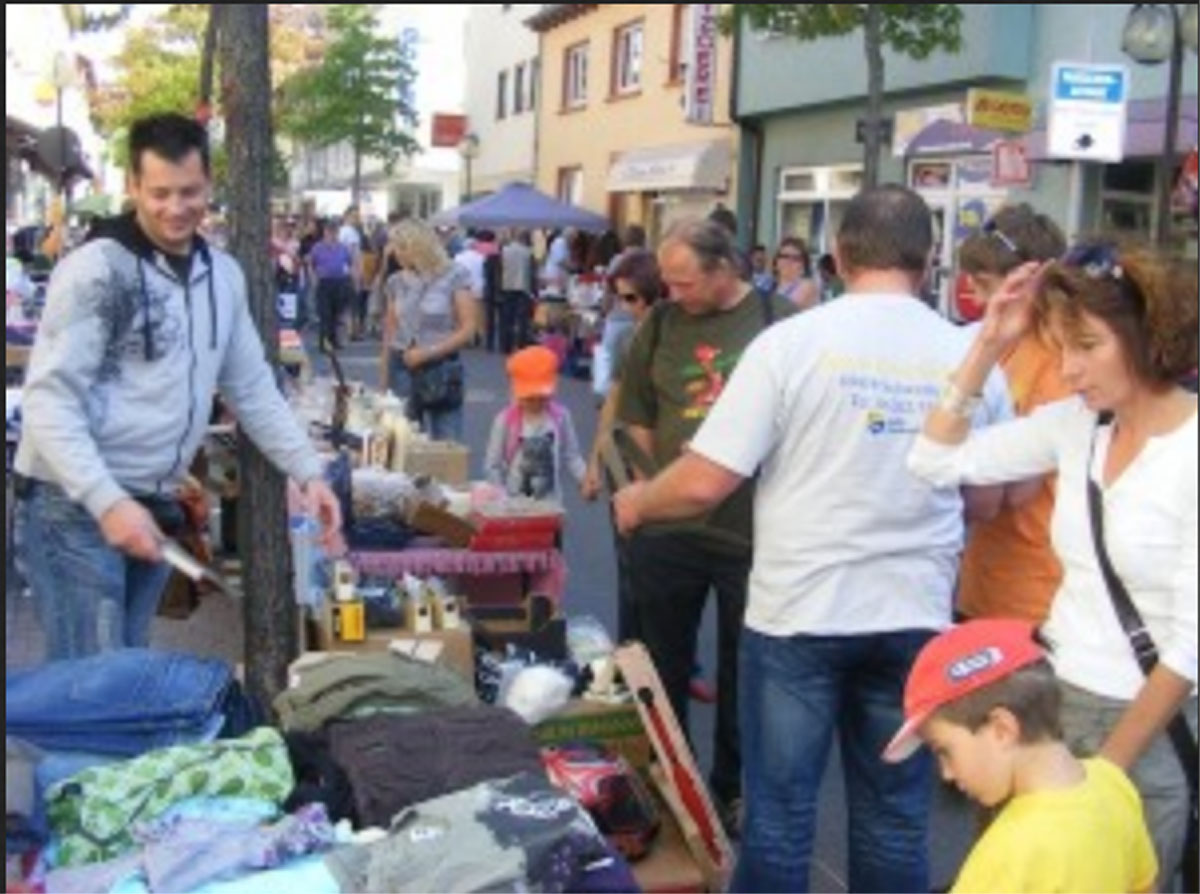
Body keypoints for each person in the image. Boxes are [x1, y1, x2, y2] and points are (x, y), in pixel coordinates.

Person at [614, 186, 1011, 892]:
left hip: (801, 613)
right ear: (932, 260)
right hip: (913, 616)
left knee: (781, 816)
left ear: (838, 253)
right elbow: (983, 500)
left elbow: (706, 481)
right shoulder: (973, 357)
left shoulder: (791, 344)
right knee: (894, 817)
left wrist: (639, 498)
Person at [907, 240, 1198, 891]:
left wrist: (1109, 777)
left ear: (1149, 334)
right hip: (1050, 707)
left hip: (1148, 725)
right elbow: (933, 461)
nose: (1068, 369)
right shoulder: (1078, 425)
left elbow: (1192, 645)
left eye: (1087, 345)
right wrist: (989, 345)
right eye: (1060, 346)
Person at [12, 113, 342, 660]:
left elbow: (252, 388)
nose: (175, 207)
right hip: (69, 501)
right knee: (93, 682)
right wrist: (106, 500)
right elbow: (49, 400)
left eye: (189, 191)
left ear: (208, 184)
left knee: (126, 667)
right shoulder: (95, 271)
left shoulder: (224, 274)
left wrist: (308, 470)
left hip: (150, 499)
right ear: (133, 187)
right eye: (159, 192)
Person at [614, 218, 795, 836]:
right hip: (669, 527)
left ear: (726, 270)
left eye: (685, 282)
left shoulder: (778, 319)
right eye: (667, 280)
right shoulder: (659, 324)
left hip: (754, 531)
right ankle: (671, 784)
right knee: (660, 667)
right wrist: (647, 487)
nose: (674, 293)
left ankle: (731, 790)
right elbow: (636, 413)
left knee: (745, 673)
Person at [883, 619, 1158, 894]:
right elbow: (1144, 886)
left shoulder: (1008, 854)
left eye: (944, 750)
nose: (946, 773)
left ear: (1002, 729)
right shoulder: (1113, 783)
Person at [953, 205, 1070, 624]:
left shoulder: (1061, 359)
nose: (979, 299)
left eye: (985, 285)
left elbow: (1019, 486)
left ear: (1030, 280)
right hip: (988, 578)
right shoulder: (1005, 345)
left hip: (1033, 590)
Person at [580, 250, 663, 644]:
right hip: (623, 457)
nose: (625, 307)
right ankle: (634, 654)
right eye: (619, 297)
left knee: (663, 567)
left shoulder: (672, 333)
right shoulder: (631, 336)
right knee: (630, 563)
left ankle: (667, 654)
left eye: (631, 297)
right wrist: (595, 464)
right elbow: (612, 400)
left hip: (663, 461)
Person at [380, 219, 476, 442]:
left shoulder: (455, 275)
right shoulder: (395, 281)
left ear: (417, 247)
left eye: (401, 247)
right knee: (404, 444)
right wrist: (383, 386)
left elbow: (468, 328)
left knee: (447, 443)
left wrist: (428, 352)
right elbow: (389, 335)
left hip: (442, 367)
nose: (396, 254)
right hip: (402, 365)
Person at [484, 345, 587, 503]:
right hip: (514, 503)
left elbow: (572, 455)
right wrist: (500, 495)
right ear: (516, 393)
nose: (536, 403)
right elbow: (492, 464)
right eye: (530, 398)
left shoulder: (561, 417)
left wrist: (585, 479)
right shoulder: (505, 421)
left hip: (551, 503)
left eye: (543, 397)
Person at [310, 220, 355, 351]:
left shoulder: (342, 247)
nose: (333, 235)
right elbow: (310, 264)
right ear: (325, 232)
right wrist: (313, 278)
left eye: (335, 232)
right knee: (325, 314)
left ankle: (334, 341)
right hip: (324, 282)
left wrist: (352, 279)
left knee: (336, 314)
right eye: (330, 231)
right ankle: (324, 343)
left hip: (340, 282)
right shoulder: (317, 247)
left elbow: (350, 263)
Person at [499, 230, 536, 355]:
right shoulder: (528, 252)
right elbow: (532, 272)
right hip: (523, 287)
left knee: (506, 318)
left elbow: (500, 268)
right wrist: (534, 290)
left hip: (507, 286)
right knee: (522, 319)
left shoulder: (504, 250)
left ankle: (506, 345)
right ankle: (521, 344)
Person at [774, 236, 820, 310]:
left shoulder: (807, 286)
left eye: (795, 258)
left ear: (804, 265)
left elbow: (786, 310)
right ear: (776, 262)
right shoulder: (772, 286)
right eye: (785, 256)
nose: (789, 261)